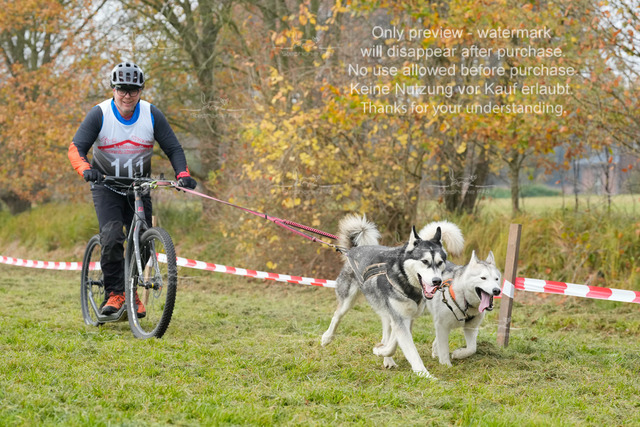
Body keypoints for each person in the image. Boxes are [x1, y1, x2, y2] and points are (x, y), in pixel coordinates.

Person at [68, 61, 197, 317]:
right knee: (112, 236)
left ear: (141, 90)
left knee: (144, 240)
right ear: (113, 89)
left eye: (133, 90)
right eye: (122, 89)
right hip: (107, 187)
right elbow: (76, 148)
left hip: (139, 188)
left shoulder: (151, 114)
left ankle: (131, 291)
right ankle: (115, 293)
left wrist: (182, 174)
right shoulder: (100, 114)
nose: (127, 95)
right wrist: (85, 169)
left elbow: (173, 148)